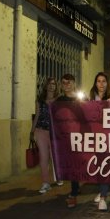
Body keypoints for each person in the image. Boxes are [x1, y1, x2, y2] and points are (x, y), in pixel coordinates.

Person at [30, 77, 61, 193]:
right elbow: (37, 115)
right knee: (43, 157)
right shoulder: (40, 100)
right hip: (40, 131)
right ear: (45, 86)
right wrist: (32, 131)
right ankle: (45, 182)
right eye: (49, 84)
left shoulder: (59, 100)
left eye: (53, 84)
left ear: (56, 86)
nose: (51, 86)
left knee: (55, 157)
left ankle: (58, 176)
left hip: (55, 132)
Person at [56, 73, 81, 208]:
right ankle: (74, 192)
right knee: (72, 165)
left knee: (78, 164)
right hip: (66, 137)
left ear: (74, 84)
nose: (66, 85)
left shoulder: (80, 99)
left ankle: (75, 189)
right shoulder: (58, 101)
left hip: (79, 136)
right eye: (64, 83)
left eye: (69, 82)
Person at [89, 72, 110, 211]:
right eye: (99, 81)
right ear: (95, 83)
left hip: (108, 138)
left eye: (104, 81)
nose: (101, 84)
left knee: (105, 166)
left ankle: (103, 198)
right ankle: (102, 191)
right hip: (93, 138)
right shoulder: (89, 99)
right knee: (97, 167)